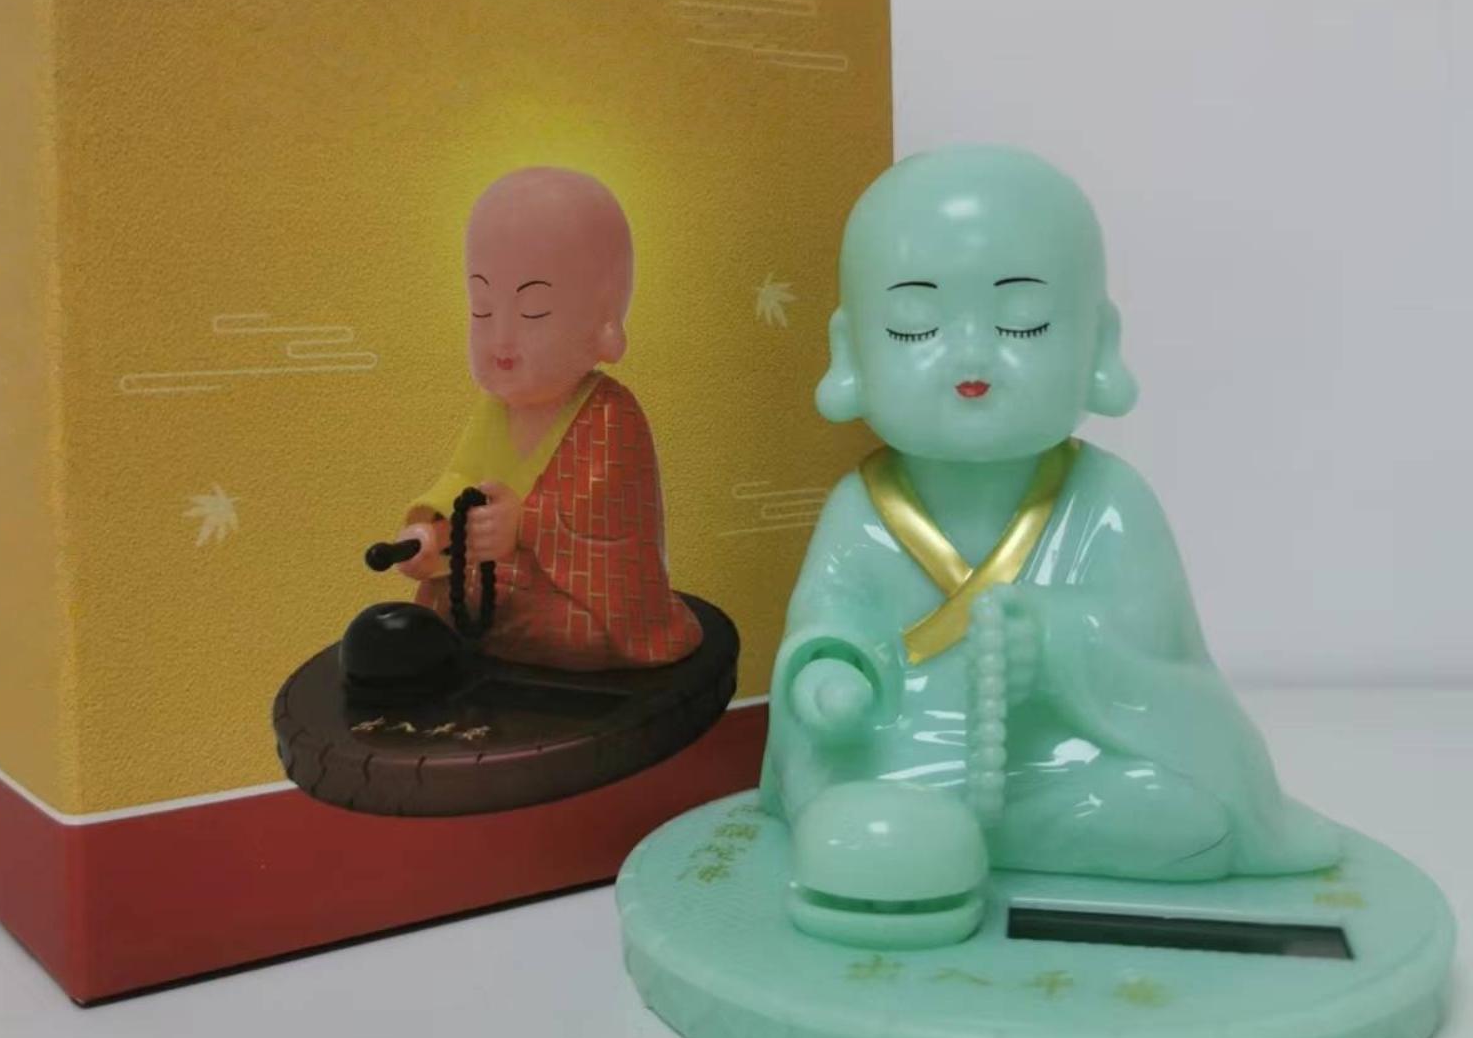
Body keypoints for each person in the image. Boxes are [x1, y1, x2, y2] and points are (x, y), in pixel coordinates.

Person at [762, 146, 1339, 892]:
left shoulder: (1110, 504)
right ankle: (907, 833)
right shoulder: (862, 510)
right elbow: (831, 621)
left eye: (1024, 323)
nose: (972, 357)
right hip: (900, 751)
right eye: (913, 325)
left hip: (1060, 762)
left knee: (1178, 816)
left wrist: (1057, 642)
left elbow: (1161, 660)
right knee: (851, 794)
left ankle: (929, 846)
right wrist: (830, 680)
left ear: (1099, 345)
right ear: (850, 354)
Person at [395, 167, 701, 672]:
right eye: (482, 309)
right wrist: (433, 536)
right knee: (439, 597)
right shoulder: (495, 409)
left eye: (533, 311)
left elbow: (611, 527)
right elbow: (462, 481)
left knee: (575, 633)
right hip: (497, 581)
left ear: (604, 322)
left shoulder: (610, 415)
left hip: (572, 598)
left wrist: (524, 523)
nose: (501, 338)